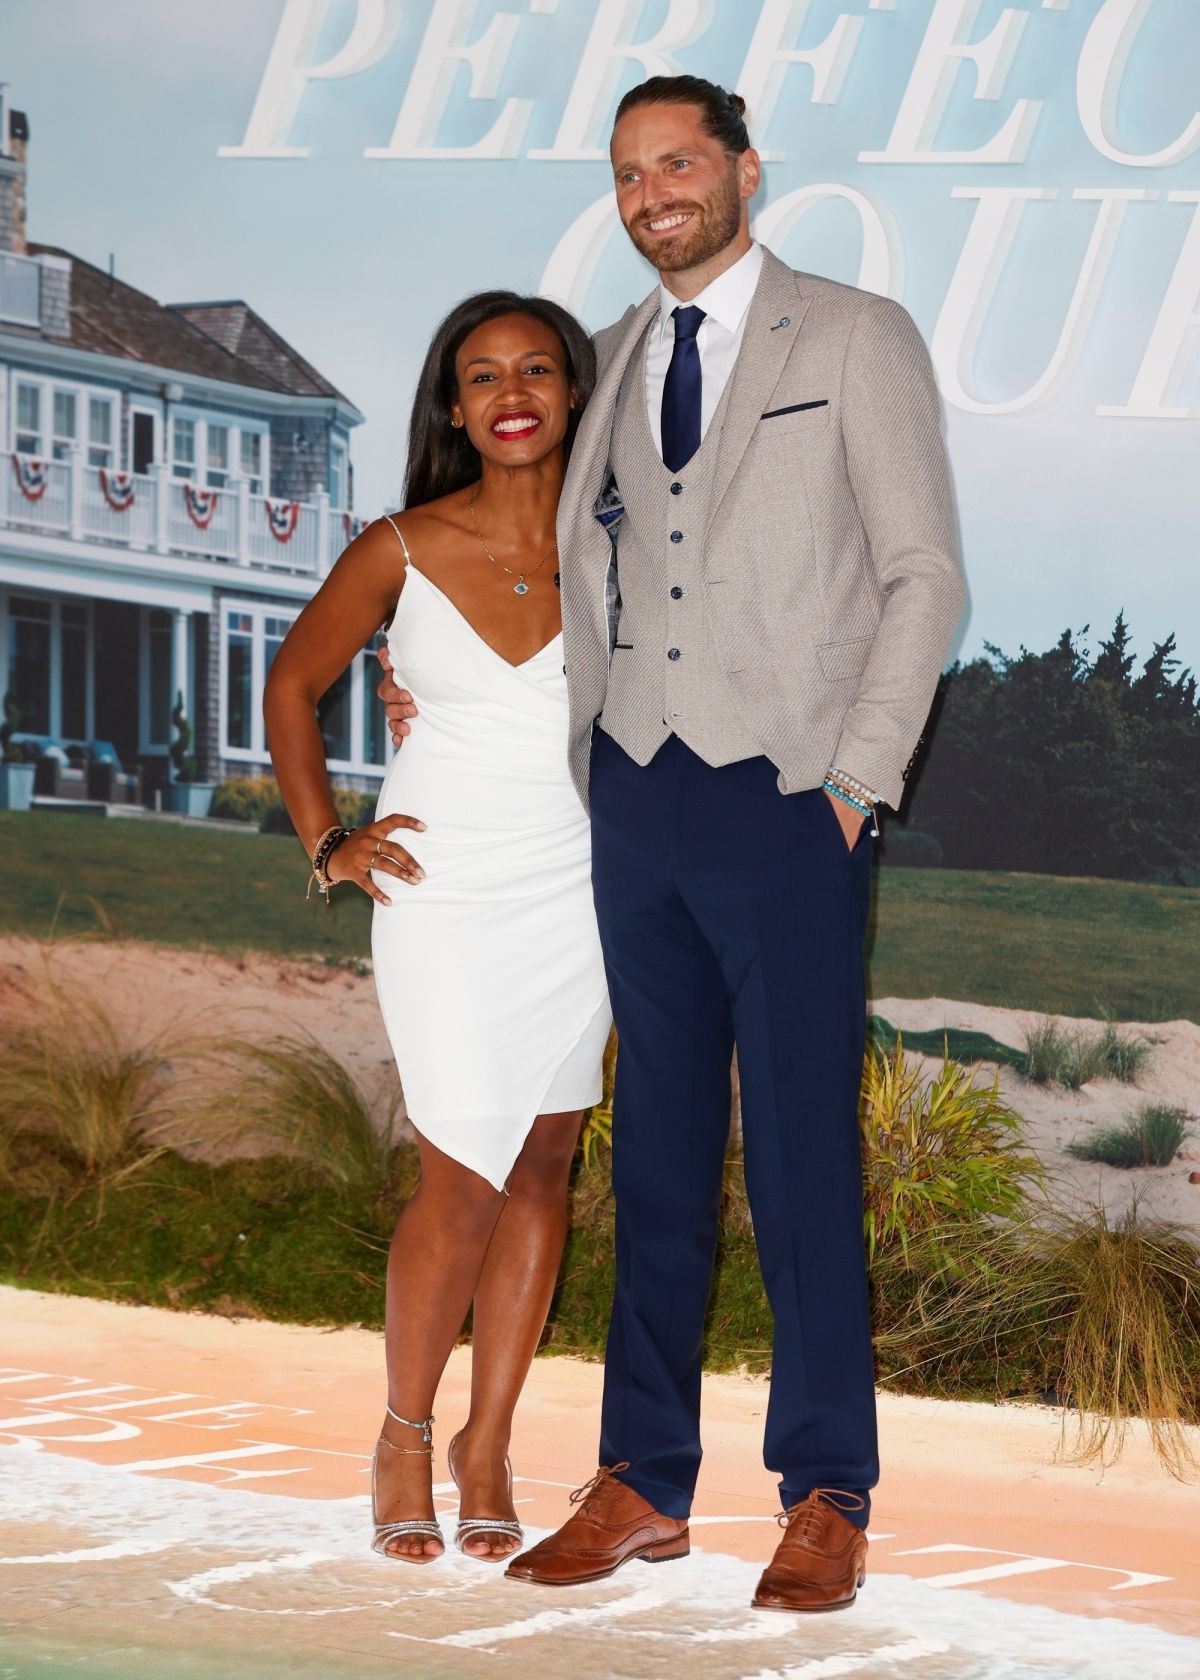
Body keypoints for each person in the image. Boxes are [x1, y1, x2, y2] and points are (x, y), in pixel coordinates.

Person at [379, 74, 964, 1612]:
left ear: (744, 170)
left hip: (792, 802)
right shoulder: (613, 361)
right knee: (654, 1161)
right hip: (633, 799)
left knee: (795, 1157)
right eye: (631, 173)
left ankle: (827, 1490)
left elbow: (924, 577)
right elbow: (536, 549)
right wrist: (422, 656)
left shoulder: (855, 337)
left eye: (679, 164)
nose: (654, 194)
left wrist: (855, 783)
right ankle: (645, 1477)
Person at [264, 291, 609, 1567]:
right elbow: (293, 685)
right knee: (460, 1169)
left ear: (575, 390)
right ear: (453, 406)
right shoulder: (398, 548)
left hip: (581, 881)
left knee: (545, 1166)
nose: (511, 391)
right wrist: (327, 842)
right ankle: (405, 1430)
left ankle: (490, 1442)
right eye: (481, 375)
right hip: (444, 887)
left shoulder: (622, 549)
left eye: (535, 369)